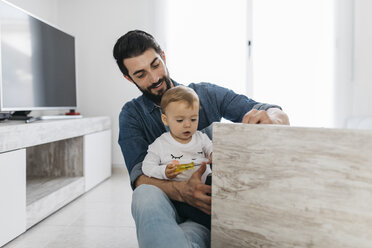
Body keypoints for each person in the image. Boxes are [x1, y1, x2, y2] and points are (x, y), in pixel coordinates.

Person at [113, 29, 289, 248]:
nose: (155, 78)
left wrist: (273, 118)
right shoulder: (131, 115)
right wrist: (183, 192)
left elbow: (272, 110)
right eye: (141, 74)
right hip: (172, 212)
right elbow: (139, 177)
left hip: (213, 211)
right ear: (128, 78)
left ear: (163, 57)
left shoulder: (205, 94)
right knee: (144, 195)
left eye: (156, 65)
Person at [142, 85, 213, 229]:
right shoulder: (161, 143)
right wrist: (164, 172)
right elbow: (147, 167)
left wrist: (213, 153)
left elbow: (212, 147)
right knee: (203, 214)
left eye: (193, 119)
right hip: (182, 195)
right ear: (165, 119)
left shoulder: (201, 138)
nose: (188, 125)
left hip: (206, 184)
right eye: (180, 120)